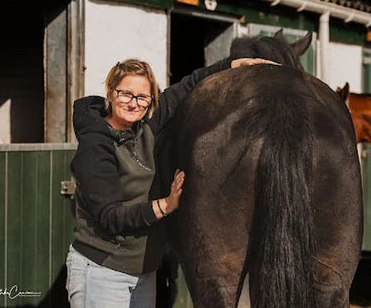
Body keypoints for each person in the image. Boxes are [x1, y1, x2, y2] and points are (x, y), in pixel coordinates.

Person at [65, 57, 278, 308]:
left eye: (143, 97)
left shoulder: (145, 129)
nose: (134, 103)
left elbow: (186, 87)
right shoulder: (95, 145)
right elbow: (110, 217)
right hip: (103, 272)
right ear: (110, 93)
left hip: (143, 272)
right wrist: (164, 206)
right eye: (126, 94)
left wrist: (232, 65)